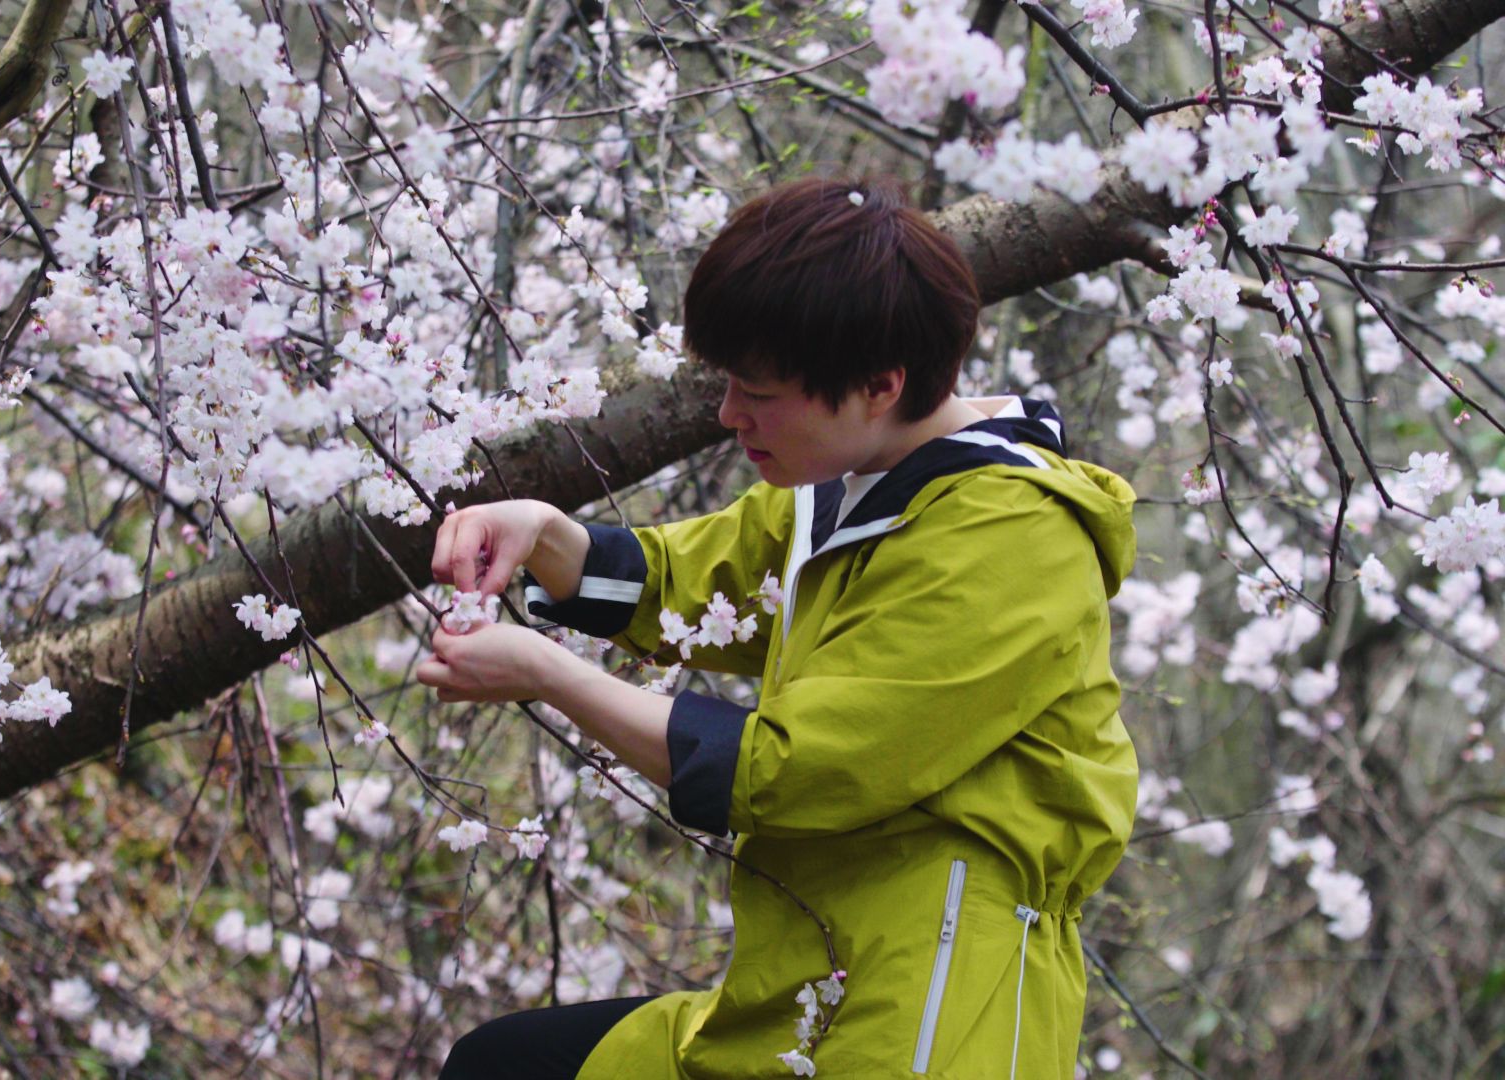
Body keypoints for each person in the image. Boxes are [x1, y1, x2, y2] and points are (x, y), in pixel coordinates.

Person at [420, 177, 1138, 1079]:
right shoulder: (848, 485)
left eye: (758, 392)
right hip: (806, 970)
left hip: (935, 1005)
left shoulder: (1014, 537)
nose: (728, 415)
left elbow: (796, 770)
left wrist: (553, 677)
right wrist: (544, 533)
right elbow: (696, 585)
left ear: (880, 386)